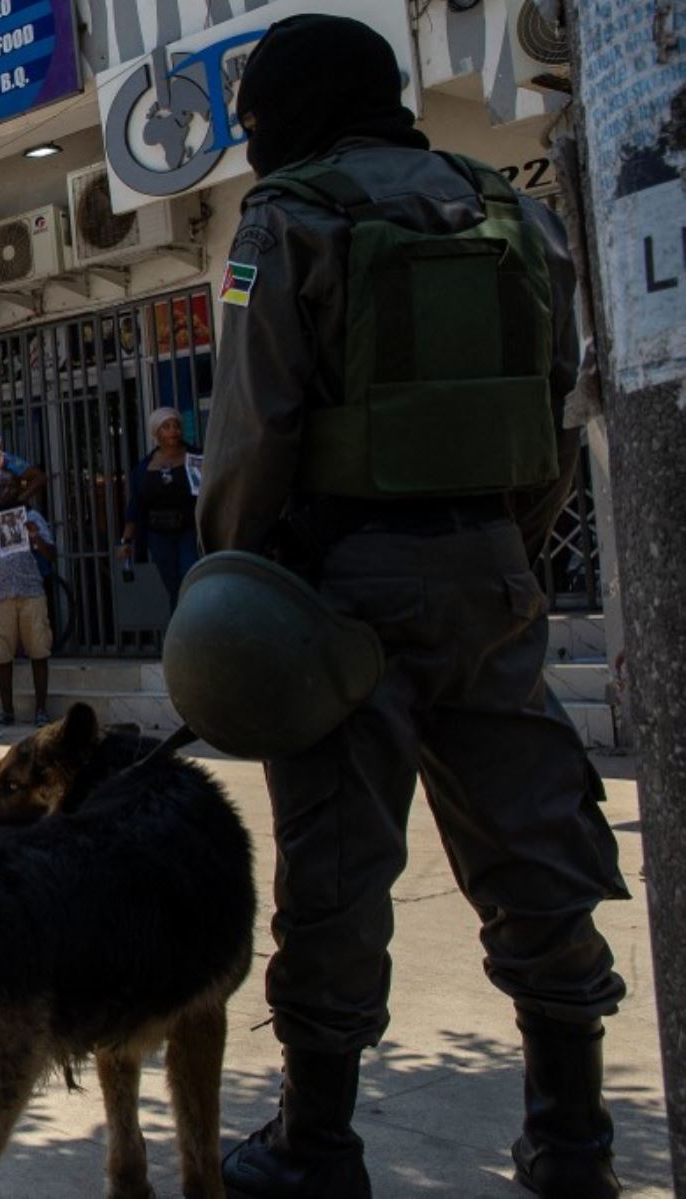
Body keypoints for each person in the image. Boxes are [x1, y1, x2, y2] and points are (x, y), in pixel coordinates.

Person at [199, 16, 627, 1199]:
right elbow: (555, 409)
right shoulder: (513, 212)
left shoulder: (284, 221)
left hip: (344, 595)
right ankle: (573, 1137)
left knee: (337, 865)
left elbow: (251, 432)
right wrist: (503, 552)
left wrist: (239, 582)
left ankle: (318, 1143)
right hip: (491, 575)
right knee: (539, 846)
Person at [0, 475, 57, 726]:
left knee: (39, 651)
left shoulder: (32, 516)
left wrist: (36, 538)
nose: (6, 490)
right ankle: (7, 710)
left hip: (30, 590)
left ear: (20, 489)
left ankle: (41, 710)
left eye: (12, 486)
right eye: (2, 486)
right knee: (2, 654)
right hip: (0, 594)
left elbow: (52, 554)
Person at [119, 406, 201, 611]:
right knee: (174, 588)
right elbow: (136, 505)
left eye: (176, 426)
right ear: (156, 433)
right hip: (159, 536)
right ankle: (180, 637)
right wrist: (126, 541)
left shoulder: (196, 458)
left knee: (190, 582)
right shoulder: (145, 467)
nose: (173, 431)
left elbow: (208, 492)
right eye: (167, 427)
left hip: (189, 531)